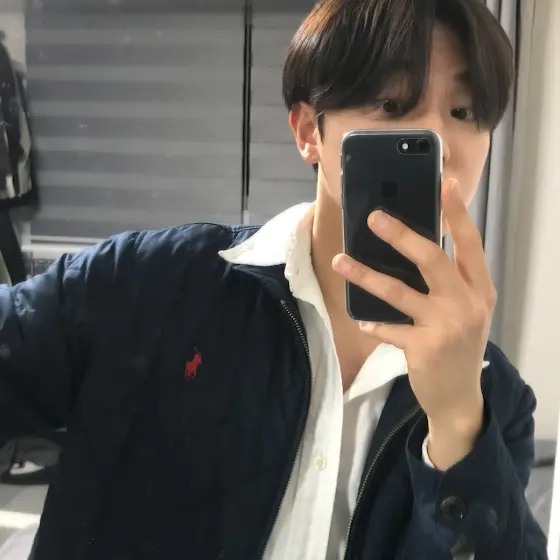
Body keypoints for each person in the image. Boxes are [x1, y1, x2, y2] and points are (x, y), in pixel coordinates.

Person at [0, 0, 548, 558]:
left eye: (464, 111)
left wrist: (456, 422)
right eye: (391, 103)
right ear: (310, 131)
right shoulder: (147, 284)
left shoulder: (494, 401)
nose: (439, 145)